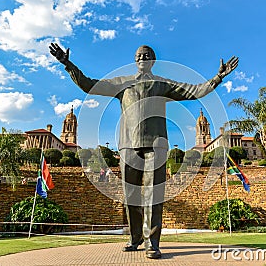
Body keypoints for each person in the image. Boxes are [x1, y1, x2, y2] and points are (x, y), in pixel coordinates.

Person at [49, 43, 238, 259]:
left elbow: (195, 91)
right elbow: (88, 84)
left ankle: (152, 243)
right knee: (130, 196)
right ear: (135, 59)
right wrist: (67, 63)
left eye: (147, 55)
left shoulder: (162, 84)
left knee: (152, 195)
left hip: (156, 145)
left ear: (153, 60)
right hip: (128, 144)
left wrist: (218, 77)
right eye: (139, 55)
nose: (143, 57)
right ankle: (135, 236)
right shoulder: (122, 83)